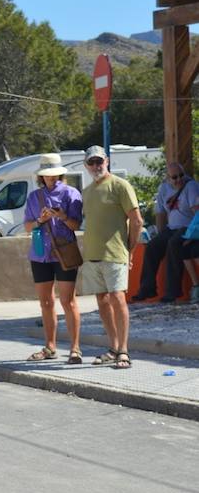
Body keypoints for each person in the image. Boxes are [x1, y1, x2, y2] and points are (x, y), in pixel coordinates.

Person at [81, 146, 143, 370]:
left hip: (116, 253)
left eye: (99, 161)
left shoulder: (120, 185)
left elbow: (137, 221)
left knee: (118, 298)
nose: (96, 166)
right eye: (91, 162)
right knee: (102, 301)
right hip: (92, 255)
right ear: (86, 165)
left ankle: (124, 351)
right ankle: (113, 347)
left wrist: (130, 250)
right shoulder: (86, 192)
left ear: (107, 161)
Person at [21, 153, 84, 363]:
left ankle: (75, 348)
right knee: (46, 302)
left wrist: (62, 216)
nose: (51, 178)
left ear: (60, 174)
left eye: (54, 174)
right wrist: (41, 219)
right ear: (42, 176)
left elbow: (76, 225)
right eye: (47, 175)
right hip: (40, 254)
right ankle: (50, 346)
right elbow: (27, 227)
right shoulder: (34, 197)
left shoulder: (71, 194)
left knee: (68, 301)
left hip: (64, 251)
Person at [132, 162, 199, 303]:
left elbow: (197, 213)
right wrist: (159, 234)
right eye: (174, 177)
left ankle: (172, 292)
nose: (179, 179)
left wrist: (193, 235)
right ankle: (147, 289)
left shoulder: (191, 186)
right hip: (172, 227)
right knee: (152, 246)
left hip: (188, 227)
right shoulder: (164, 188)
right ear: (168, 178)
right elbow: (160, 214)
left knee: (173, 244)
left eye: (181, 175)